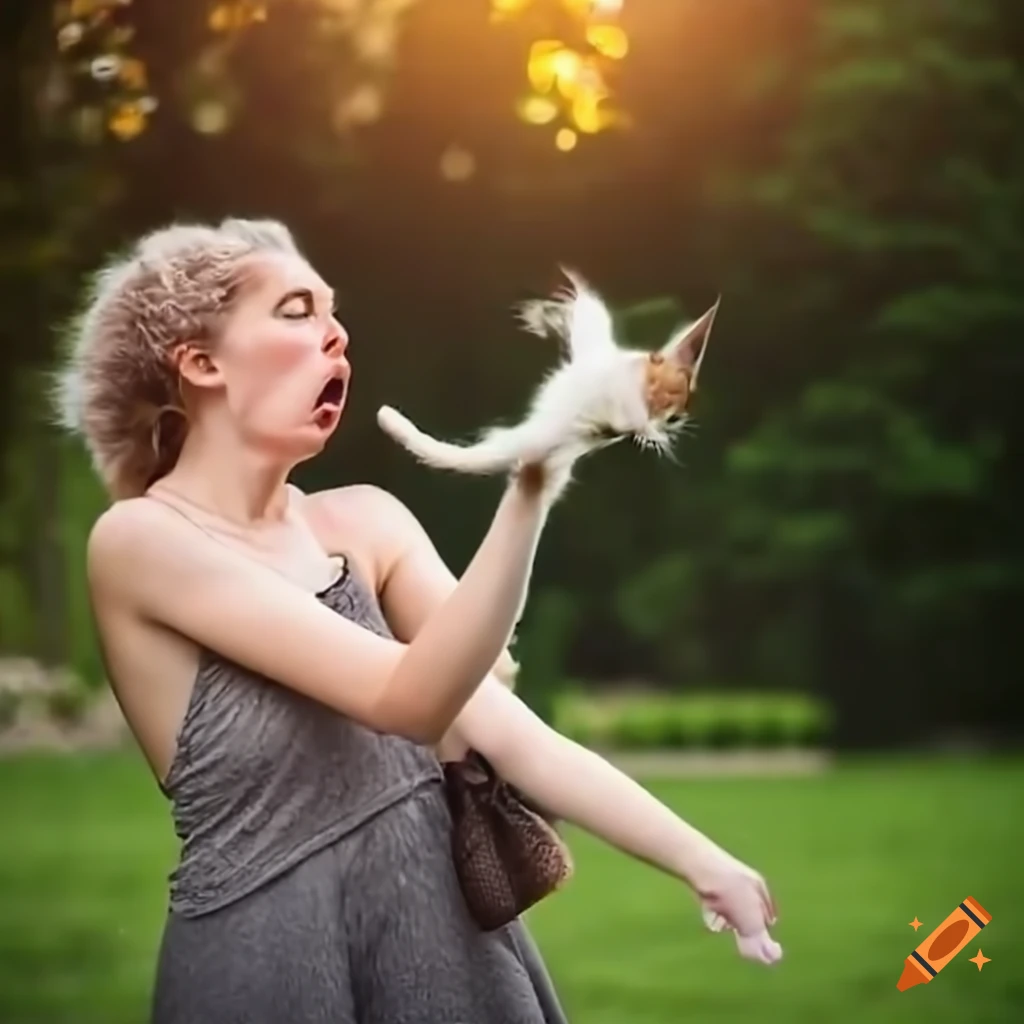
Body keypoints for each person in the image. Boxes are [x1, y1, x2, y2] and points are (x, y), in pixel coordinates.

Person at [57, 217, 781, 1024]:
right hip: (270, 970)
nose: (336, 336)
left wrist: (704, 861)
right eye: (297, 311)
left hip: (445, 964)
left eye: (336, 313)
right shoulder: (139, 543)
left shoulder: (368, 524)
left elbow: (513, 734)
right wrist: (531, 481)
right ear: (200, 362)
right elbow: (410, 697)